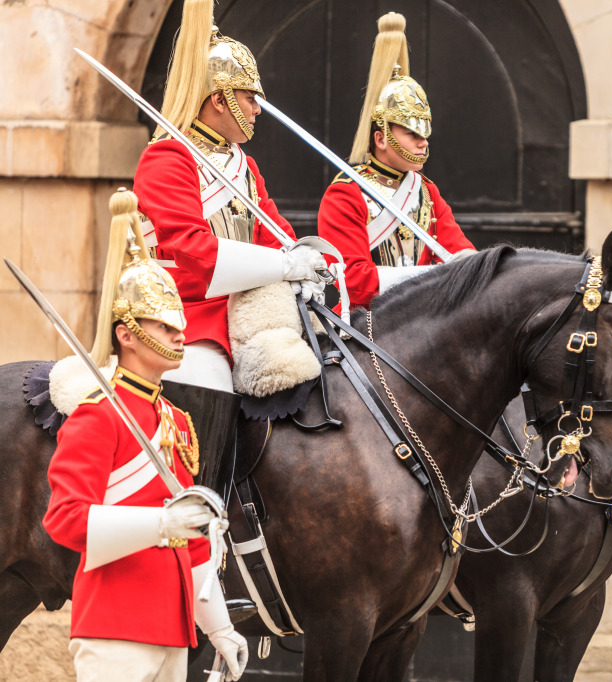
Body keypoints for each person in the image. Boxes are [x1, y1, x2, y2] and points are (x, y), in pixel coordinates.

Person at [42, 189, 247, 681]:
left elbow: (194, 540)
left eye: (180, 325)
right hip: (115, 624)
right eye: (165, 324)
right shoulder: (98, 415)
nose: (181, 334)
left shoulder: (177, 421)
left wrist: (218, 628)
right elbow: (65, 520)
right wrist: (160, 524)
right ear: (127, 333)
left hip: (174, 631)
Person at [132, 0, 328, 489]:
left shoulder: (243, 165)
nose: (259, 109)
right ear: (219, 99)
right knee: (207, 380)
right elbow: (195, 256)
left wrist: (312, 263)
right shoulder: (167, 159)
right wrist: (286, 265)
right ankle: (199, 517)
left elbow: (275, 234)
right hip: (186, 319)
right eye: (250, 98)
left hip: (247, 313)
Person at [317, 12, 475, 309]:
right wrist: (438, 276)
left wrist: (474, 265)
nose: (423, 141)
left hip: (427, 314)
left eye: (424, 132)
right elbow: (351, 279)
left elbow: (456, 250)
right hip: (369, 321)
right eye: (411, 133)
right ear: (381, 138)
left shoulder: (427, 191)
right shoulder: (346, 193)